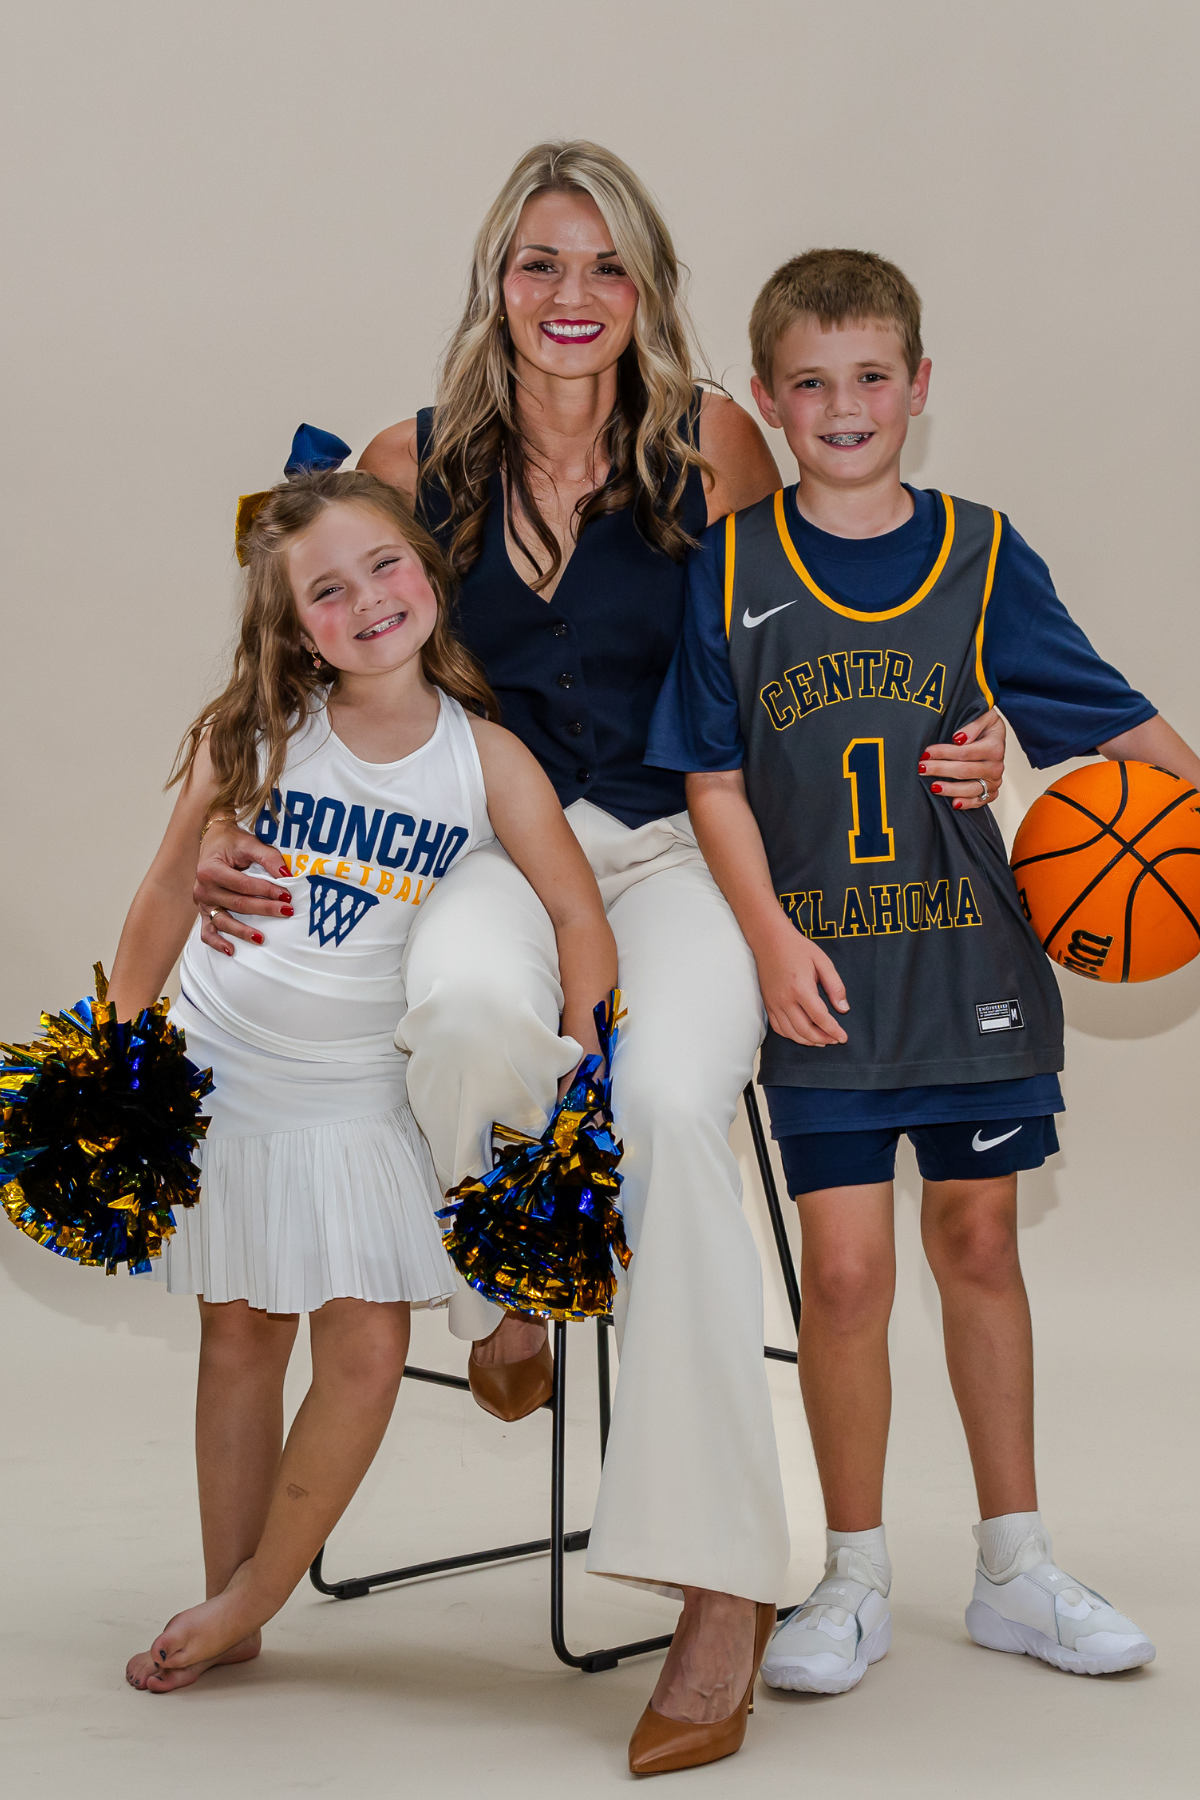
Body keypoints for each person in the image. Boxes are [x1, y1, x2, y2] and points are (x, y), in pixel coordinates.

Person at [192, 144, 1006, 1773]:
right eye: (540, 265)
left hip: (688, 853)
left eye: (606, 268)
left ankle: (721, 1588)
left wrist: (960, 740)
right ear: (495, 284)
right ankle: (519, 1272)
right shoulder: (407, 461)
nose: (573, 300)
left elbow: (816, 645)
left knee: (668, 1109)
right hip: (492, 849)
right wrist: (237, 831)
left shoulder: (711, 443)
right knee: (470, 1008)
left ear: (648, 290)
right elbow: (312, 658)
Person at [647, 246, 1197, 1694]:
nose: (845, 404)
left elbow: (1117, 721)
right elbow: (708, 778)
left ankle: (1016, 1565)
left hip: (972, 969)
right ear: (766, 402)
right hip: (823, 978)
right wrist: (766, 942)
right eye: (813, 383)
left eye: (872, 376)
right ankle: (853, 1572)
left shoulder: (985, 551)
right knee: (841, 1275)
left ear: (920, 389)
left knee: (978, 1247)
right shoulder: (735, 566)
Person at [114, 464, 615, 1693]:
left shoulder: (483, 758)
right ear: (294, 627)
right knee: (238, 1335)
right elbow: (166, 894)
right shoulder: (257, 736)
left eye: (385, 565)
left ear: (430, 571)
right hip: (229, 1071)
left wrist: (583, 1078)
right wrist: (119, 1048)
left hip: (358, 1096)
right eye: (327, 592)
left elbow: (575, 913)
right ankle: (231, 1599)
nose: (369, 600)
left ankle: (256, 1591)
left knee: (366, 1354)